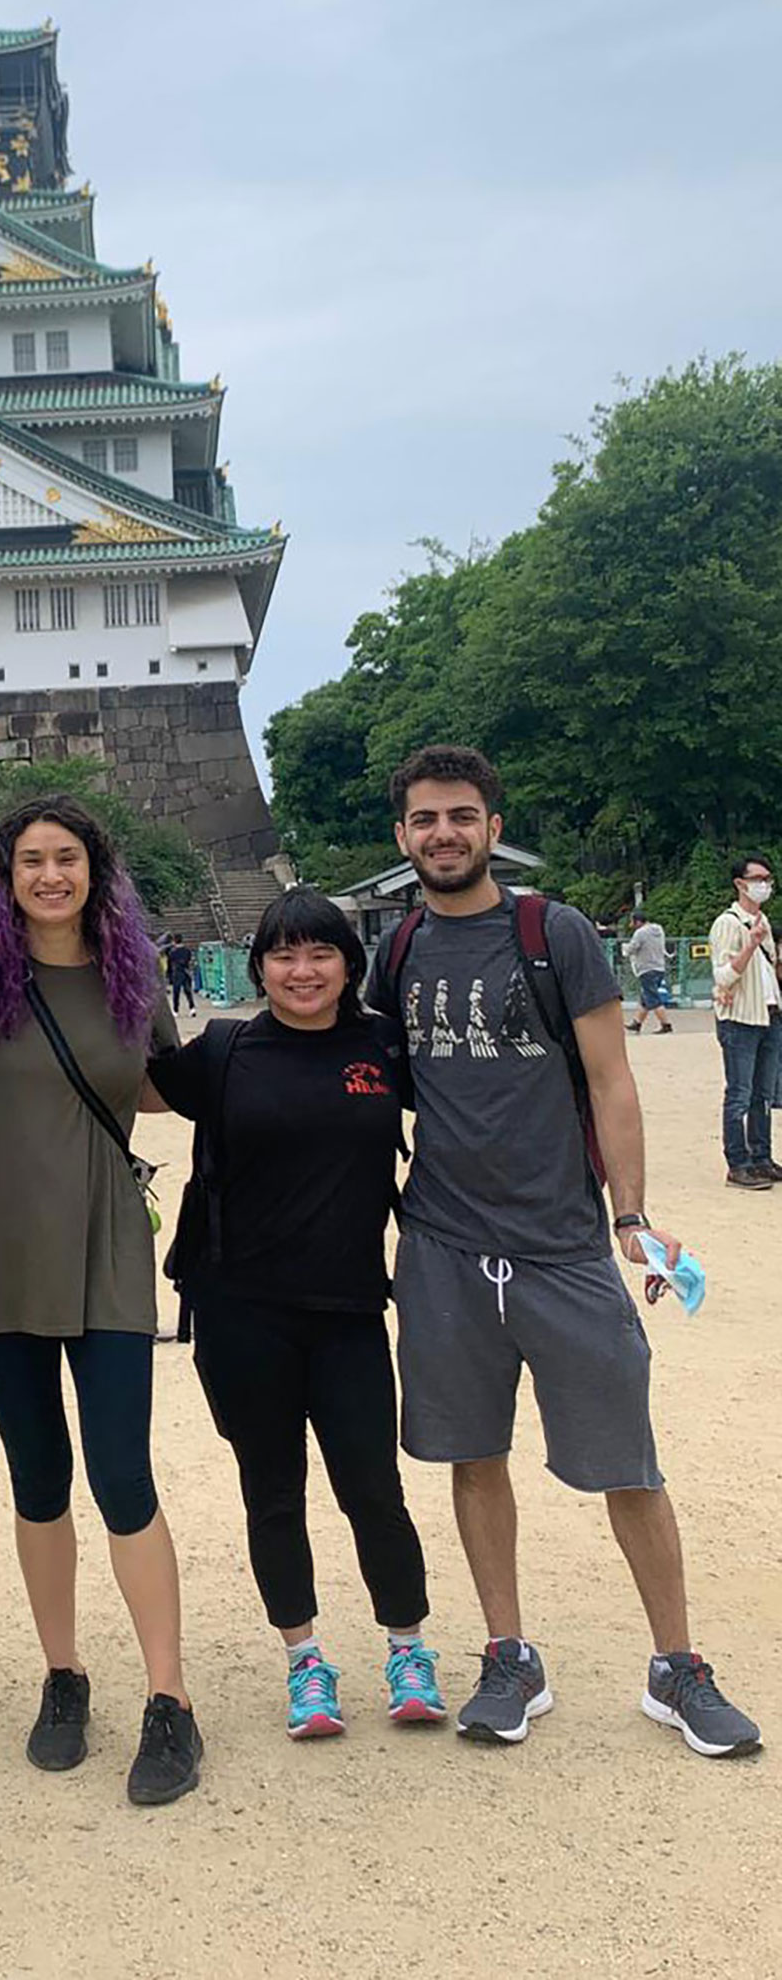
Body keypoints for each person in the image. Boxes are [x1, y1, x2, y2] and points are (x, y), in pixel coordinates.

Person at [370, 746, 760, 1758]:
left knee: (625, 1456)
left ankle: (677, 1663)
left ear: (493, 828)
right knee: (471, 1452)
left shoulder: (555, 934)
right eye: (423, 820)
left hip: (561, 1240)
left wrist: (628, 1217)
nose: (442, 834)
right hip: (445, 1245)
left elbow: (611, 1080)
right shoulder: (399, 950)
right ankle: (508, 1652)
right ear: (401, 837)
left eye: (461, 816)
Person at [0, 793, 202, 1807]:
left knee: (122, 1472)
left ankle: (168, 1698)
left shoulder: (133, 977)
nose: (50, 875)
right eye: (30, 861)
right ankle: (63, 1673)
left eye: (67, 858)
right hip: (0, 1248)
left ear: (96, 869)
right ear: (5, 878)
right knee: (36, 1475)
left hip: (103, 1247)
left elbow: (166, 1086)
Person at [149, 887, 444, 1741]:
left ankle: (407, 1646)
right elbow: (117, 1083)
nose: (302, 970)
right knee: (271, 1493)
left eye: (320, 953)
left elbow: (470, 1108)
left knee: (373, 1490)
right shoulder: (223, 1051)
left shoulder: (384, 1045)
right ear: (260, 967)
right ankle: (305, 1661)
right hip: (241, 1310)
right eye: (283, 954)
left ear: (350, 965)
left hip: (349, 1307)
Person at [709, 857, 782, 1189]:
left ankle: (762, 1157)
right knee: (740, 1092)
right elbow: (723, 975)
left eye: (768, 878)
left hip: (768, 1014)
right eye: (758, 878)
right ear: (740, 883)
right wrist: (751, 944)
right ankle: (738, 1162)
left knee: (763, 1093)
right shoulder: (729, 923)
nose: (765, 884)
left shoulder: (763, 920)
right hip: (739, 1017)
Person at [622, 913, 673, 1037]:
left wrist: (625, 949)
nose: (631, 925)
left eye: (632, 922)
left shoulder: (640, 933)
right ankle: (637, 1023)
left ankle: (666, 1025)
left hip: (646, 969)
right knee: (646, 998)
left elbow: (633, 948)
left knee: (653, 998)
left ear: (638, 922)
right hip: (659, 967)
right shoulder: (659, 929)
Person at [164, 935, 197, 1015]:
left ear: (174, 941)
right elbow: (189, 960)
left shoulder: (172, 952)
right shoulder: (187, 951)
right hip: (185, 972)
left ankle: (176, 1010)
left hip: (177, 973)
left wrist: (168, 974)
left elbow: (169, 964)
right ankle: (192, 1008)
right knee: (188, 991)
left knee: (176, 992)